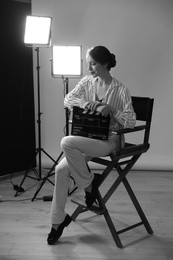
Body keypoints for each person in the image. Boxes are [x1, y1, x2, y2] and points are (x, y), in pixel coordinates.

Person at [47, 46, 136, 245]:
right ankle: (57, 221)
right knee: (61, 170)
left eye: (93, 63)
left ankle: (88, 185)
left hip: (110, 140)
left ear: (105, 64)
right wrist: (91, 104)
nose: (89, 68)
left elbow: (130, 122)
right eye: (88, 63)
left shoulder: (120, 89)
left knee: (66, 141)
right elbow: (68, 99)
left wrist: (111, 110)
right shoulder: (87, 82)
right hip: (88, 137)